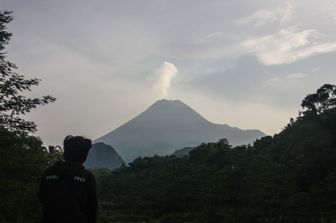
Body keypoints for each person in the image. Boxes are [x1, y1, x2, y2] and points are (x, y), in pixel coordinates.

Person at [39, 135, 97, 223]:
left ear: (65, 152)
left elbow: (42, 197)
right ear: (84, 156)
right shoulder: (87, 177)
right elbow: (92, 209)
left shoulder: (48, 173)